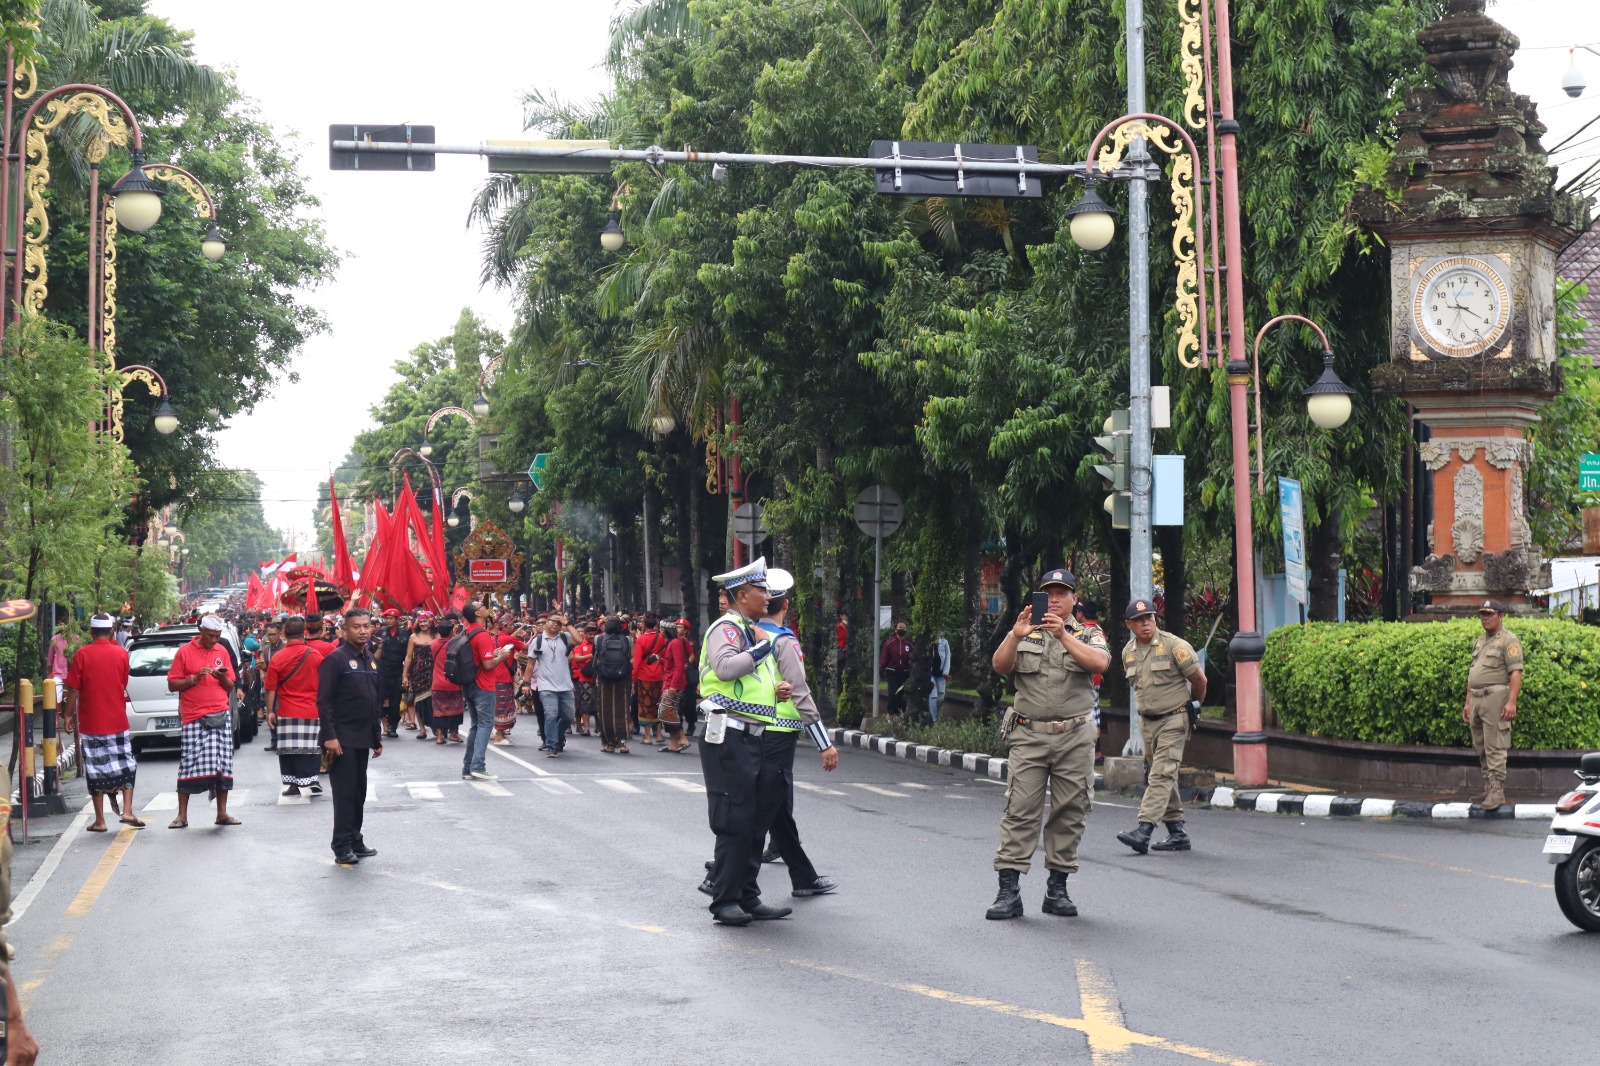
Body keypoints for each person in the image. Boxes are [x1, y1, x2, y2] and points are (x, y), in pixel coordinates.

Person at [985, 569, 1109, 920]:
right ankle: (1008, 890)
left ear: (1074, 599)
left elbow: (1099, 662)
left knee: (1070, 811)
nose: (1054, 600)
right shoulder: (1025, 630)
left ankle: (1057, 889)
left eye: (1061, 594)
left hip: (1075, 736)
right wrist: (1014, 634)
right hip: (1029, 734)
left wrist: (1064, 636)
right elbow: (1000, 665)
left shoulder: (1088, 633)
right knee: (1020, 810)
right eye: (1048, 594)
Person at [697, 558, 797, 926]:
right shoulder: (727, 628)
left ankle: (748, 895)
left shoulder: (750, 629)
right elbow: (724, 669)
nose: (767, 595)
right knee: (735, 818)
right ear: (743, 595)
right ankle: (724, 901)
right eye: (761, 590)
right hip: (728, 736)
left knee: (756, 818)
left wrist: (778, 689)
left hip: (752, 735)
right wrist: (761, 649)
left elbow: (752, 682)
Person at [753, 569, 839, 897]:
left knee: (775, 807)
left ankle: (803, 876)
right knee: (768, 806)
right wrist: (824, 743)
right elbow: (800, 693)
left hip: (754, 728)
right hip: (780, 731)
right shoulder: (783, 640)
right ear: (785, 604)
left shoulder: (750, 635)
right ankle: (725, 868)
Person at [1115, 600, 1206, 854]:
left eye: (1150, 617)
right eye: (1140, 619)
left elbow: (1199, 680)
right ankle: (1177, 832)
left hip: (1175, 719)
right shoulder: (1128, 652)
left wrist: (1194, 709)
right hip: (1149, 723)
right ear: (1129, 624)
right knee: (1162, 775)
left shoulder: (1174, 646)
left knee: (1161, 775)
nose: (1146, 623)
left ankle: (1143, 830)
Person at [62, 613, 141, 832]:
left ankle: (100, 820)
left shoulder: (82, 654)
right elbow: (123, 682)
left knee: (95, 770)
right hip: (116, 720)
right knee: (126, 765)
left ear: (90, 631)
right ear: (112, 631)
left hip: (91, 722)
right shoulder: (121, 654)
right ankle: (127, 810)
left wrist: (67, 714)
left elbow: (74, 689)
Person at [317, 607, 383, 866]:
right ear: (345, 629)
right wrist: (330, 737)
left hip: (363, 737)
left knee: (358, 792)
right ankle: (341, 845)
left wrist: (377, 737)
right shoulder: (336, 659)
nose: (363, 630)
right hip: (342, 739)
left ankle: (355, 838)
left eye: (366, 625)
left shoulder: (370, 658)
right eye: (356, 626)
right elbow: (324, 702)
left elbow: (374, 702)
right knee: (344, 794)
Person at [164, 615, 240, 829]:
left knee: (223, 765)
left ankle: (222, 813)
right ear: (201, 632)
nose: (214, 640)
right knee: (188, 764)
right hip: (194, 716)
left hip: (220, 715)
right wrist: (193, 679)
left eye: (217, 636)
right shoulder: (185, 652)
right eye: (210, 636)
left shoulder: (222, 651)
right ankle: (182, 816)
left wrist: (220, 677)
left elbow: (230, 685)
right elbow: (172, 685)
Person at [1464, 598, 1523, 811]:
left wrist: (1511, 702)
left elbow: (1515, 672)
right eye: (1482, 614)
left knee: (1495, 745)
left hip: (1495, 698)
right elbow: (1473, 673)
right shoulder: (1480, 641)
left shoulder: (1509, 640)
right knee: (1481, 746)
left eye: (1489, 614)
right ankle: (1489, 788)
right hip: (1477, 698)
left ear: (1500, 616)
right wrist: (1468, 702)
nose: (1485, 618)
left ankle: (1497, 792)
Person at [265, 615, 327, 798]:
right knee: (312, 749)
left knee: (288, 750)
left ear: (284, 632)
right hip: (311, 709)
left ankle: (292, 784)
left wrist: (270, 712)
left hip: (286, 711)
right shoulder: (316, 656)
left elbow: (270, 689)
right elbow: (325, 684)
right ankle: (313, 779)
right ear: (304, 632)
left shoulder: (278, 657)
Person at [462, 603, 510, 780]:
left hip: (470, 684)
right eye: (481, 606)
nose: (484, 607)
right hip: (483, 685)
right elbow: (488, 664)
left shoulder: (467, 631)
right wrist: (502, 657)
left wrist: (494, 652)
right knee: (484, 725)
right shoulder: (481, 634)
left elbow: (480, 656)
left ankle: (468, 768)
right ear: (477, 613)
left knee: (476, 726)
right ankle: (478, 766)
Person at [530, 614, 576, 758]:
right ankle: (552, 745)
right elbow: (530, 664)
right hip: (546, 686)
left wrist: (567, 622)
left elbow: (580, 640)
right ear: (546, 623)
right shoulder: (537, 641)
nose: (556, 624)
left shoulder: (565, 637)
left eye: (558, 622)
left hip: (565, 685)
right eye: (553, 621)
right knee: (550, 715)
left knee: (568, 716)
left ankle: (555, 733)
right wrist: (525, 683)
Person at [593, 615, 633, 754]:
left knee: (605, 711)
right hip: (622, 679)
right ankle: (622, 741)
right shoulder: (627, 640)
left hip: (604, 678)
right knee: (622, 710)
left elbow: (595, 657)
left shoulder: (598, 639)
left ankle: (608, 742)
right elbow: (631, 658)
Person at [430, 615, 466, 745]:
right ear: (451, 631)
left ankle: (440, 736)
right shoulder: (456, 643)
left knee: (438, 710)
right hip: (453, 681)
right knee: (456, 709)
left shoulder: (433, 644)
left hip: (438, 682)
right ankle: (453, 733)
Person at [633, 612, 668, 745]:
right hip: (659, 674)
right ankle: (659, 734)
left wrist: (633, 678)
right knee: (657, 703)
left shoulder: (641, 640)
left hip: (644, 675)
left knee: (644, 705)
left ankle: (647, 736)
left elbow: (636, 662)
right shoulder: (660, 638)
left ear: (643, 624)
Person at [490, 614, 525, 747]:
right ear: (504, 626)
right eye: (510, 625)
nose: (512, 627)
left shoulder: (494, 638)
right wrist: (537, 635)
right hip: (503, 678)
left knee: (496, 705)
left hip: (493, 677)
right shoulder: (509, 639)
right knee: (503, 707)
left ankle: (497, 733)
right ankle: (499, 736)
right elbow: (525, 647)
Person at [659, 620, 693, 753]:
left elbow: (679, 666)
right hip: (670, 681)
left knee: (668, 712)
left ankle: (683, 739)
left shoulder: (675, 643)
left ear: (664, 630)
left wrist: (673, 686)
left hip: (674, 684)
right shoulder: (673, 643)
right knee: (669, 712)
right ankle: (673, 743)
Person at [403, 614, 438, 740]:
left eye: (425, 622)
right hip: (417, 673)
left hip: (434, 671)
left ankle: (436, 726)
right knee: (418, 701)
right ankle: (422, 729)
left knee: (434, 700)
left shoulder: (437, 635)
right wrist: (404, 675)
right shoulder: (413, 637)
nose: (423, 624)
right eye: (421, 622)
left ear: (430, 622)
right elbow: (408, 657)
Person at [376, 609, 408, 738]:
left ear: (397, 619)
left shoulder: (405, 634)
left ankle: (392, 726)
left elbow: (408, 655)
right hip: (382, 671)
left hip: (397, 672)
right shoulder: (379, 634)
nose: (388, 620)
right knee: (378, 700)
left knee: (395, 702)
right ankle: (378, 727)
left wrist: (406, 673)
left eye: (391, 618)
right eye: (386, 618)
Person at [259, 620, 285, 750]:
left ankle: (281, 740)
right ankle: (274, 740)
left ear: (280, 634)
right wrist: (264, 668)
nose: (271, 637)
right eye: (269, 635)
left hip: (283, 686)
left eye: (274, 634)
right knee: (271, 711)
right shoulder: (267, 649)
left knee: (279, 711)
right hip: (271, 686)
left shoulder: (285, 647)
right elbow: (270, 669)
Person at [880, 622, 912, 716]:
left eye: (904, 628)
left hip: (904, 673)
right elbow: (884, 658)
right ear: (896, 630)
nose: (902, 629)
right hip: (892, 672)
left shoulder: (908, 645)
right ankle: (890, 713)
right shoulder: (890, 643)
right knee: (893, 693)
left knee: (902, 695)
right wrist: (881, 670)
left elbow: (913, 657)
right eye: (900, 627)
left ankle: (901, 714)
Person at [571, 623, 596, 737]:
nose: (592, 636)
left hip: (598, 678)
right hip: (582, 678)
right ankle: (585, 728)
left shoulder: (599, 643)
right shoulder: (580, 644)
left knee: (597, 704)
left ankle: (599, 727)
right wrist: (590, 656)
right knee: (583, 703)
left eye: (593, 634)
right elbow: (576, 658)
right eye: (589, 634)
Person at [928, 628, 951, 723]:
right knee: (933, 696)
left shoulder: (944, 643)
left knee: (941, 697)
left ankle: (932, 711)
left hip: (941, 674)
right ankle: (934, 720)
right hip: (930, 673)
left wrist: (946, 672)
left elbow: (948, 657)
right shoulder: (928, 643)